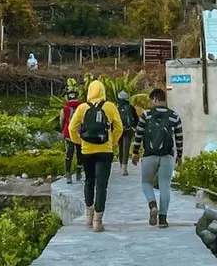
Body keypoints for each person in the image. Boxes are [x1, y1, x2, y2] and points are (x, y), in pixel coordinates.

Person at [68, 80, 122, 233]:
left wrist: (78, 141)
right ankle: (98, 220)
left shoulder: (82, 108)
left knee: (89, 181)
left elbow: (72, 127)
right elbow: (119, 126)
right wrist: (113, 142)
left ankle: (88, 216)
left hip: (87, 151)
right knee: (102, 185)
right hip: (105, 150)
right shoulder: (110, 107)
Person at [131, 88, 184, 229]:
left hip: (149, 156)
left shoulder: (146, 115)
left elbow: (139, 135)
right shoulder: (174, 116)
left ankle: (152, 205)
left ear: (154, 99)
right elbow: (179, 138)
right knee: (165, 185)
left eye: (151, 100)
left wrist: (135, 152)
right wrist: (179, 156)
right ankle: (163, 219)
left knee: (146, 183)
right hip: (167, 156)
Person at [61, 89, 84, 183]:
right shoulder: (81, 107)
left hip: (68, 134)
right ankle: (78, 173)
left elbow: (62, 121)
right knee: (80, 154)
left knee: (69, 155)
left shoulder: (65, 108)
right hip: (79, 134)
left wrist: (63, 130)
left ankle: (68, 175)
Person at [115, 91, 138, 176]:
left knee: (120, 147)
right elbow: (136, 119)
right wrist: (135, 127)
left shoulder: (116, 108)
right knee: (126, 149)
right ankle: (124, 168)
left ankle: (121, 166)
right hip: (129, 130)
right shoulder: (130, 107)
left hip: (119, 130)